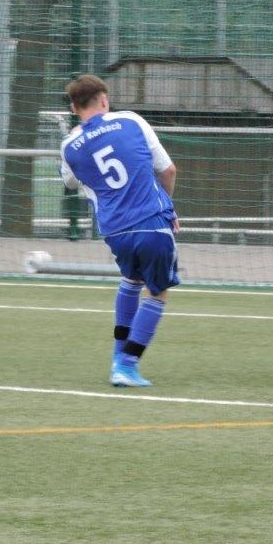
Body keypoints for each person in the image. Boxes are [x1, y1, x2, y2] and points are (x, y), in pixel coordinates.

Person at [59, 73, 180, 388]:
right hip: (151, 222)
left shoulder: (69, 145)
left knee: (131, 280)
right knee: (157, 291)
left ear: (74, 108)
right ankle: (127, 365)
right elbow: (168, 170)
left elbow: (69, 182)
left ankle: (118, 357)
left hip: (115, 231)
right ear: (104, 99)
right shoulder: (131, 121)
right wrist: (168, 208)